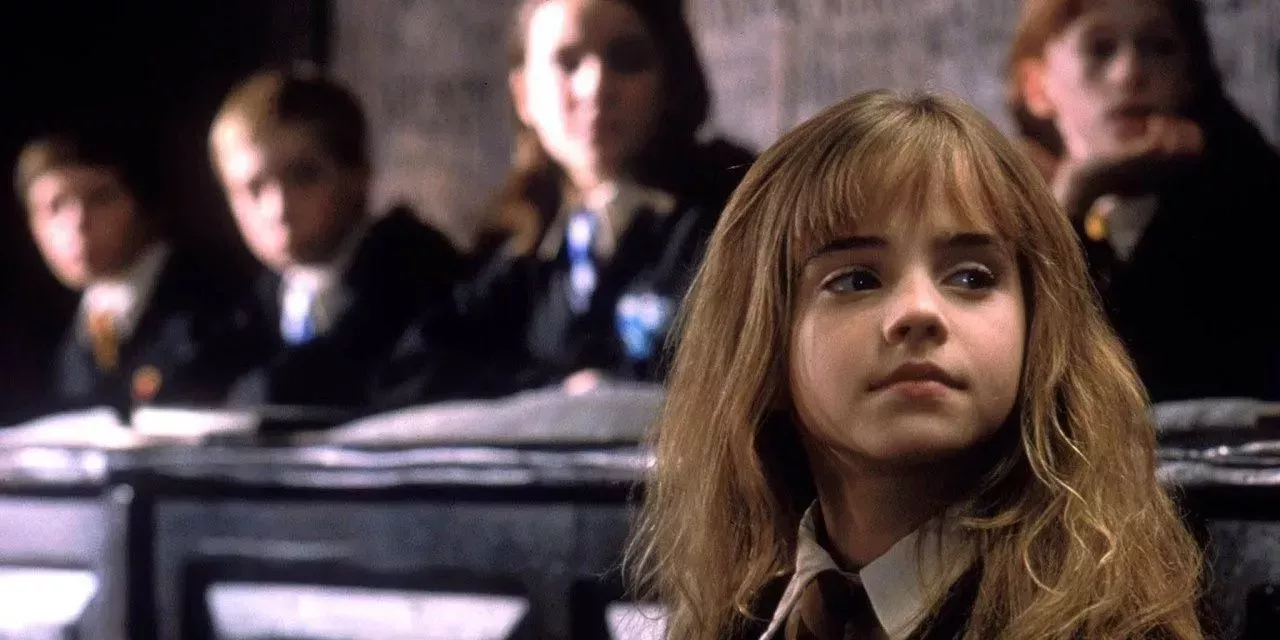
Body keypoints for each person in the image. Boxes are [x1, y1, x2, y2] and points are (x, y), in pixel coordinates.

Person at [629, 91, 1204, 639]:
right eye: (856, 280)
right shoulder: (741, 621)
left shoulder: (1110, 626)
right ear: (763, 344)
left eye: (971, 277)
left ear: (1038, 328)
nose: (918, 312)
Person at [449, 0, 754, 397]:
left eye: (627, 60)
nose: (595, 87)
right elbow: (416, 370)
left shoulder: (738, 208)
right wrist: (552, 390)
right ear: (523, 95)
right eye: (566, 62)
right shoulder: (522, 241)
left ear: (670, 80)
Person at [1007, 0, 1280, 401]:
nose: (1130, 73)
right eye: (1100, 50)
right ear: (1038, 87)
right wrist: (1071, 199)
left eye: (1161, 48)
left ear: (1190, 78)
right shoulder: (1008, 212)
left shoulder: (1243, 210)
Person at [210, 67, 463, 413]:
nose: (277, 208)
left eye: (304, 176)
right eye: (253, 189)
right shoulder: (260, 301)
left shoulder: (415, 271)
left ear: (359, 174)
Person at [16, 124, 257, 418]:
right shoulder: (68, 342)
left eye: (100, 198)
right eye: (54, 207)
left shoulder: (219, 304)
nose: (77, 223)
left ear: (144, 202)